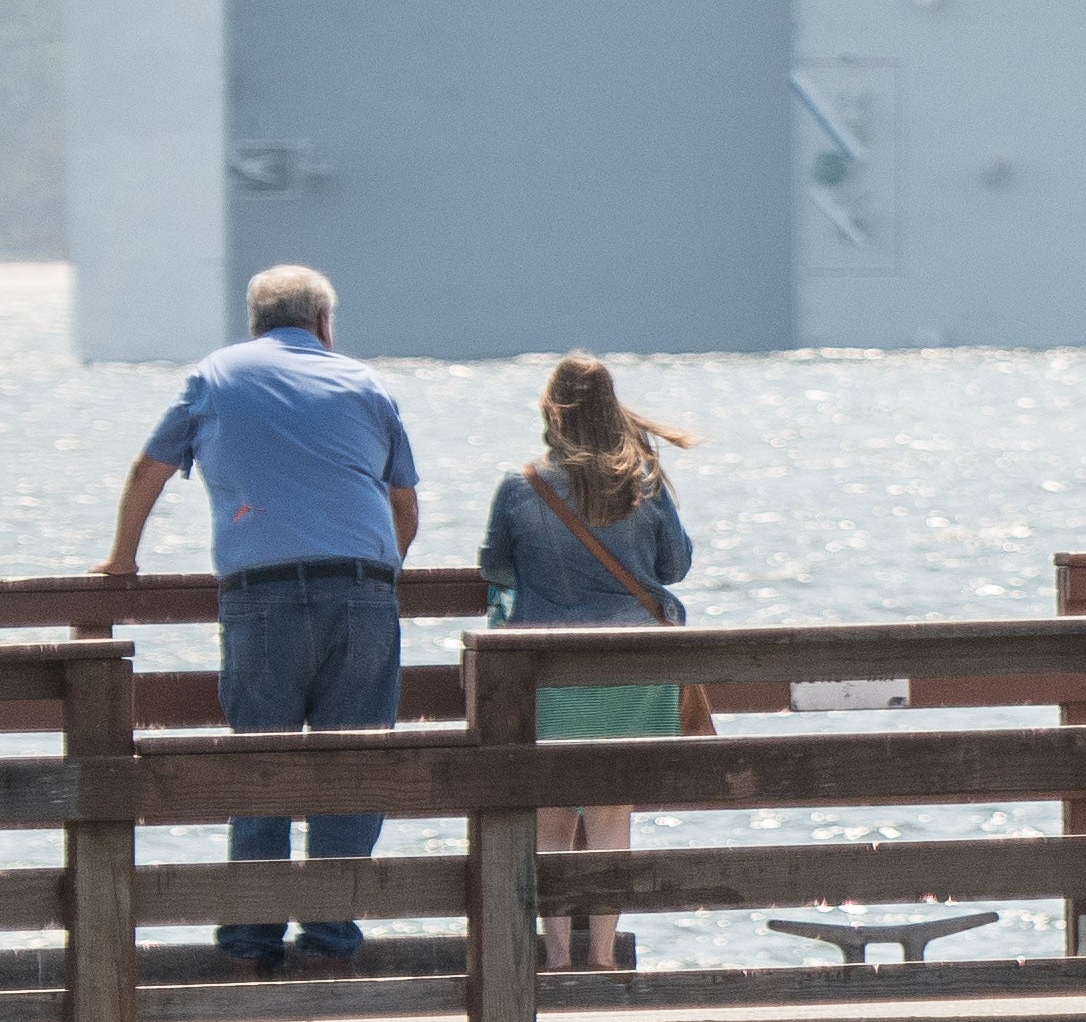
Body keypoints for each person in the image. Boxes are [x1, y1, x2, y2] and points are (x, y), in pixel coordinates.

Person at [99, 261, 423, 968]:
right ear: (323, 322)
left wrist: (123, 558)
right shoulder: (366, 383)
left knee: (258, 764)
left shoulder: (215, 375)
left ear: (255, 322)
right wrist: (377, 576)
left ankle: (251, 941)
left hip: (262, 593)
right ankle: (330, 941)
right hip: (361, 590)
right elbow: (404, 504)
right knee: (353, 767)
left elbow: (150, 469)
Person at [472, 360, 696, 973]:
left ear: (553, 410)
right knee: (610, 814)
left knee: (550, 815)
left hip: (549, 671)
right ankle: (600, 955)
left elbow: (495, 568)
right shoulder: (644, 479)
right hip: (632, 671)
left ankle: (555, 956)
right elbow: (674, 567)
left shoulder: (521, 486)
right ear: (611, 408)